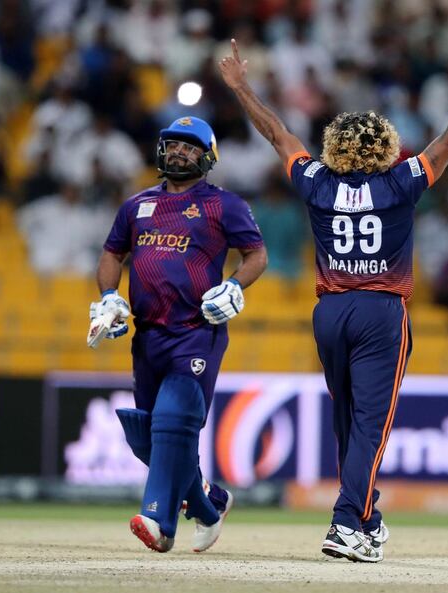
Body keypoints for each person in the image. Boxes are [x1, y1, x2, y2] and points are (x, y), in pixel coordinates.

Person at [219, 35, 448, 562]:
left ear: (334, 147)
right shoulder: (402, 182)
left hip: (330, 312)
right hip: (381, 311)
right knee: (371, 426)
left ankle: (366, 517)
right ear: (386, 147)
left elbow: (277, 133)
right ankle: (344, 524)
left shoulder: (315, 182)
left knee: (348, 421)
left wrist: (242, 87)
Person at [90, 116, 267, 553]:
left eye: (190, 147)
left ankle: (158, 520)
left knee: (173, 421)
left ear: (207, 156)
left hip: (196, 331)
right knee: (146, 435)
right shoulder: (136, 206)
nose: (179, 152)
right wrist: (109, 296)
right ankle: (209, 506)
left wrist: (233, 284)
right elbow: (113, 254)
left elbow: (256, 255)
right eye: (173, 145)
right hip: (147, 335)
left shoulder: (224, 205)